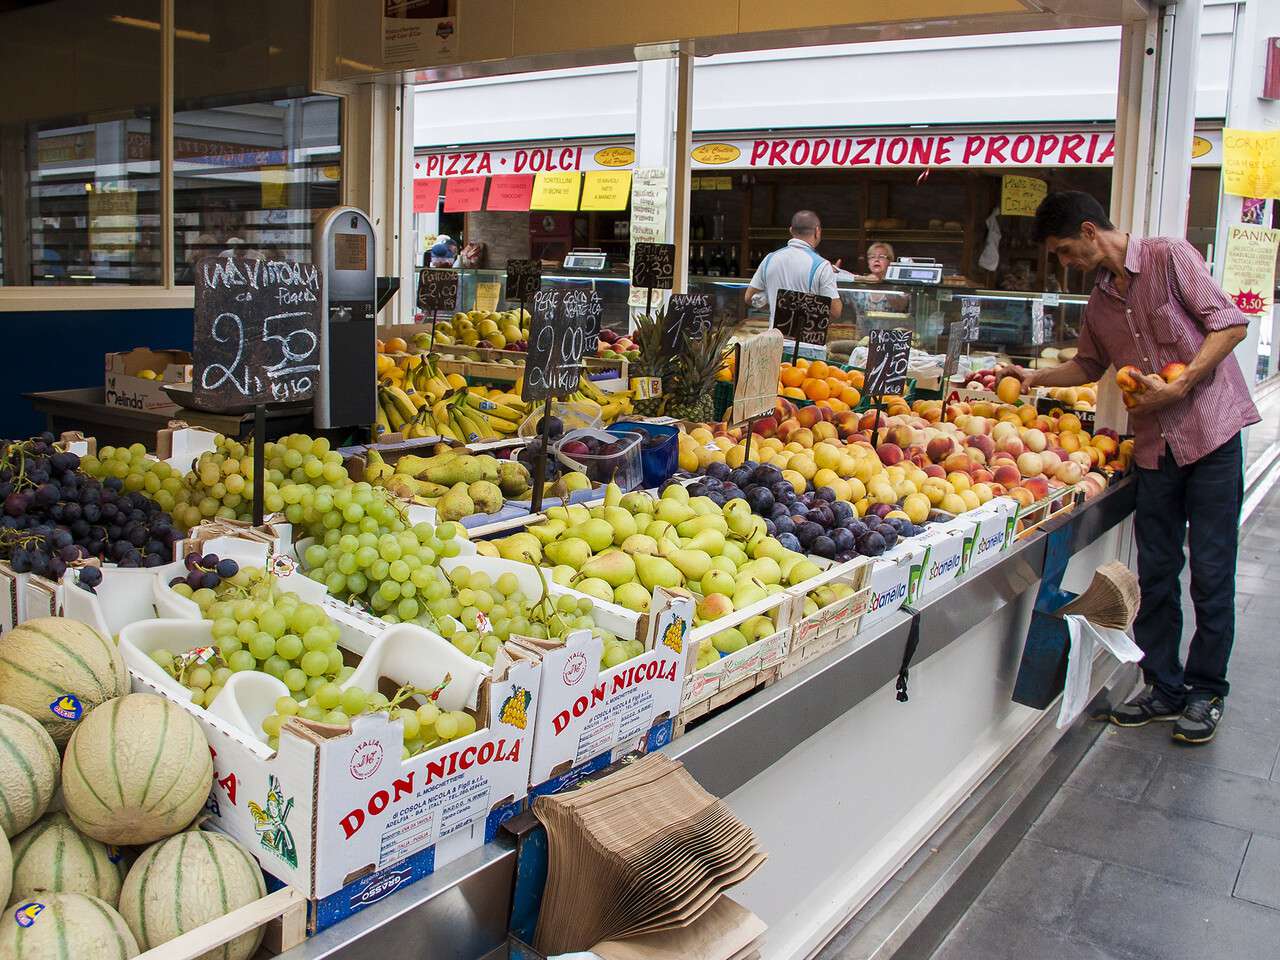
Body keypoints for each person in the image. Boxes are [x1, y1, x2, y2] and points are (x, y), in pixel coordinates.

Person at [1000, 191, 1258, 744]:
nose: (1067, 263)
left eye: (1067, 250)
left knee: (1212, 575)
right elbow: (1090, 365)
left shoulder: (1168, 256)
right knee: (1158, 573)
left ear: (1091, 231)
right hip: (1155, 451)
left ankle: (1207, 690)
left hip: (1211, 436)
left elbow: (1229, 324)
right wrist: (1032, 378)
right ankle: (1163, 687)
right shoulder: (1098, 302)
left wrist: (1184, 381)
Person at [744, 210, 842, 326]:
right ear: (817, 231)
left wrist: (775, 306)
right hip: (808, 341)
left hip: (775, 339)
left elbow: (749, 297)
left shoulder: (769, 259)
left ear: (791, 230)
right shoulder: (822, 265)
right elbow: (835, 311)